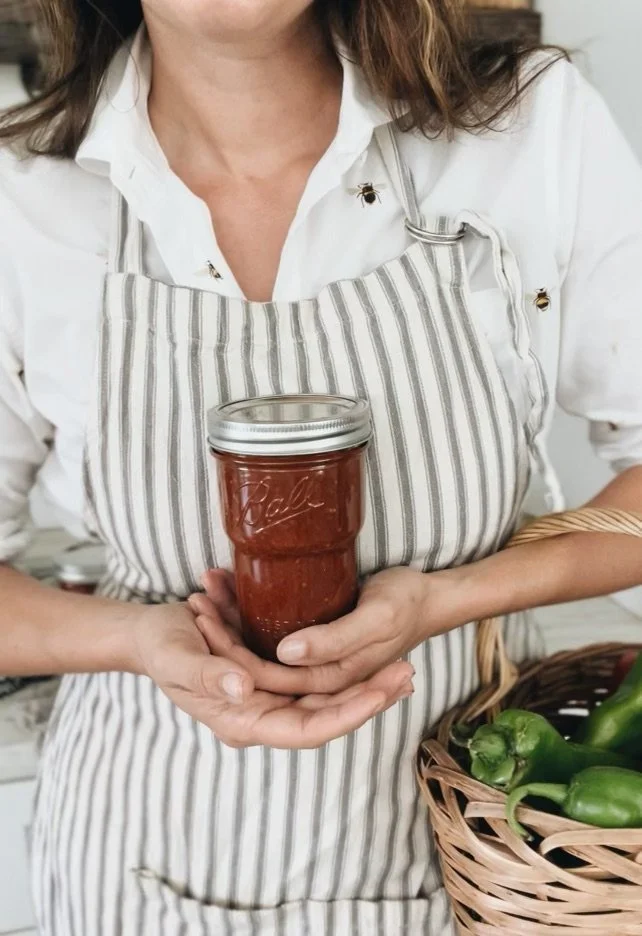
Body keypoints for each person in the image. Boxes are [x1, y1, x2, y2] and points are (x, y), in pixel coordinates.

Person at [1, 0, 641, 932]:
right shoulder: (24, 199)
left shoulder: (529, 129)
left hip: (479, 860)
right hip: (138, 868)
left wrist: (447, 598)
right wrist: (136, 642)